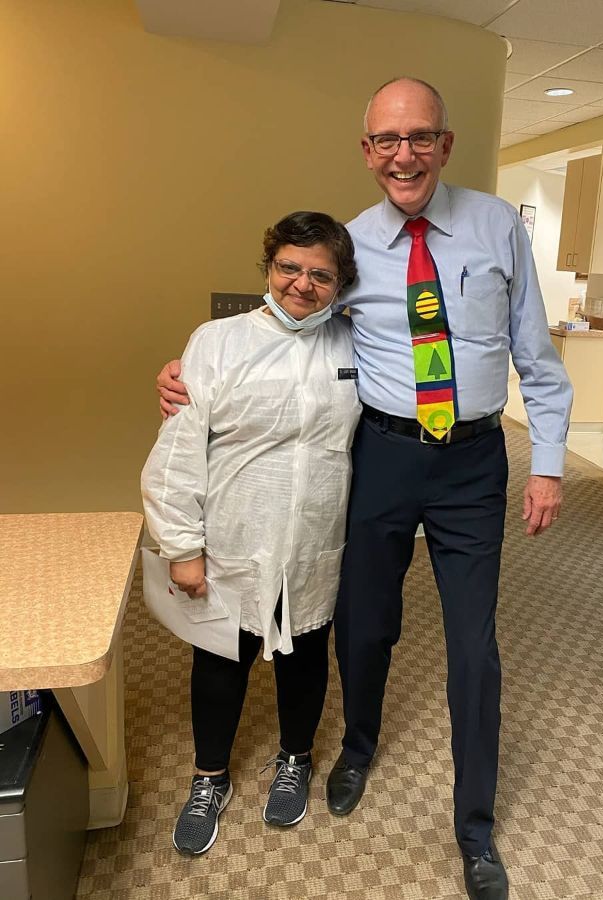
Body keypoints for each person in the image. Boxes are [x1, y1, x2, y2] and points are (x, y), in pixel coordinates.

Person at [156, 78, 572, 899]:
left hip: (474, 462)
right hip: (379, 456)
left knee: (472, 651)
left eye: (419, 137)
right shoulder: (348, 245)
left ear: (445, 144)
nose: (403, 154)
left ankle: (476, 828)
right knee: (364, 626)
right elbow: (291, 324)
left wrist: (550, 461)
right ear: (367, 150)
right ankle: (356, 748)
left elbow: (537, 353)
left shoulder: (496, 227)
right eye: (387, 140)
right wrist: (185, 370)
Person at [142, 211, 361, 857]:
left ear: (340, 283)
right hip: (233, 530)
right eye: (289, 267)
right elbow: (180, 450)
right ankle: (209, 776)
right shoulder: (217, 340)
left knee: (304, 653)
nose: (302, 284)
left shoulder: (354, 344)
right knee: (219, 658)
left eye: (321, 274)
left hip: (315, 534)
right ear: (268, 268)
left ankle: (295, 758)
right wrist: (182, 546)